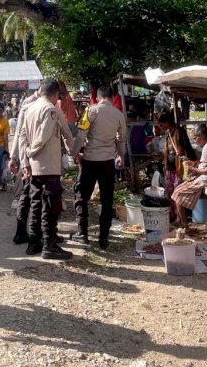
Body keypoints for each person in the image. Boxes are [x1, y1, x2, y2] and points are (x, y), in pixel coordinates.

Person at [18, 79, 74, 260]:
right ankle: (49, 245)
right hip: (48, 165)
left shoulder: (29, 109)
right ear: (55, 94)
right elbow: (46, 136)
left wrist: (25, 160)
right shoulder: (51, 110)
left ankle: (34, 242)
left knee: (35, 203)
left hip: (34, 167)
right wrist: (32, 151)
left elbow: (22, 136)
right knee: (51, 205)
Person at [71, 86, 127, 248]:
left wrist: (74, 153)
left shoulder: (90, 110)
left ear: (97, 97)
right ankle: (104, 238)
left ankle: (82, 233)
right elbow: (121, 139)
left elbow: (81, 135)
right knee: (107, 200)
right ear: (112, 96)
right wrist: (121, 156)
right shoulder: (119, 115)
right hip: (108, 162)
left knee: (81, 196)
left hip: (90, 160)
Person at [170, 124, 207, 229]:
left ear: (201, 136)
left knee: (177, 194)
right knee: (177, 191)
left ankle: (184, 224)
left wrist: (193, 169)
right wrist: (195, 165)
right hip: (204, 178)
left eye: (195, 138)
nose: (195, 141)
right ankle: (180, 220)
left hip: (206, 180)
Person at [9, 87, 42, 244]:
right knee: (34, 196)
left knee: (26, 196)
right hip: (33, 159)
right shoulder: (32, 105)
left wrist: (15, 156)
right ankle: (33, 236)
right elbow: (20, 134)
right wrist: (16, 156)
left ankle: (22, 234)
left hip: (26, 158)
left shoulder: (31, 104)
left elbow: (19, 135)